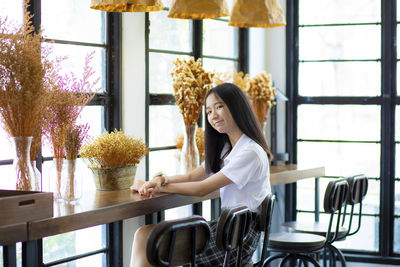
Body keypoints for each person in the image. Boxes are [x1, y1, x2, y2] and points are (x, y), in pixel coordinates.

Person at [130, 83, 272, 267]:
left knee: (152, 241)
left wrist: (158, 186)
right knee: (143, 234)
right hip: (228, 230)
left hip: (237, 238)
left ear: (237, 107)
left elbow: (202, 188)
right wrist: (159, 179)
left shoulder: (250, 151)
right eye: (209, 111)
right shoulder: (229, 148)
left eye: (219, 107)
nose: (213, 115)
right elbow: (192, 177)